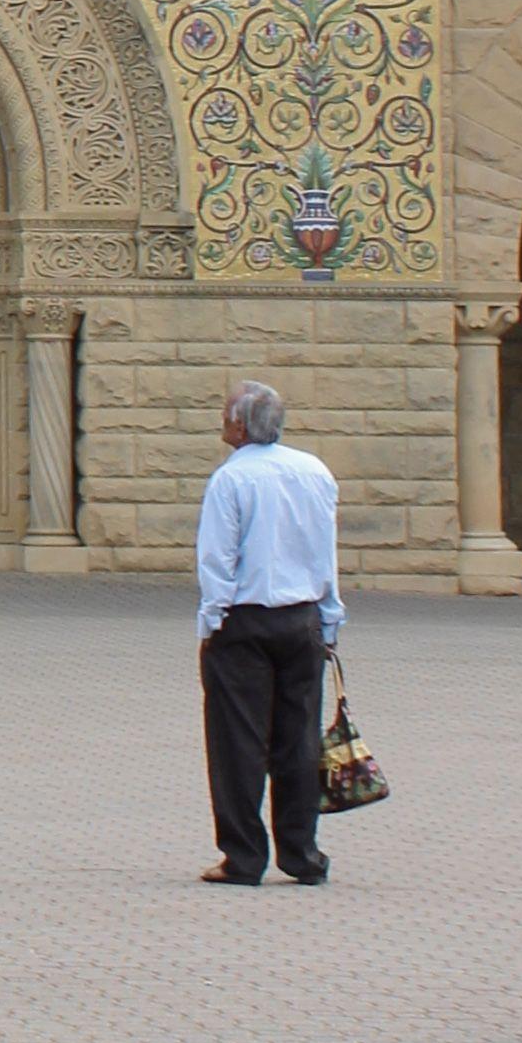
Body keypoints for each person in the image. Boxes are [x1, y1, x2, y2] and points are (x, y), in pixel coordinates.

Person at [193, 379, 343, 886]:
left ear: (239, 425)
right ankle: (302, 854)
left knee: (237, 741)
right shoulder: (314, 471)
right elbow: (325, 552)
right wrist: (330, 617)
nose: (222, 421)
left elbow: (218, 558)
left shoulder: (231, 479)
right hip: (302, 618)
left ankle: (243, 857)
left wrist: (212, 621)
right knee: (299, 738)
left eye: (225, 413)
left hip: (244, 619)